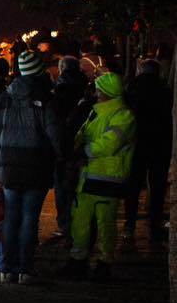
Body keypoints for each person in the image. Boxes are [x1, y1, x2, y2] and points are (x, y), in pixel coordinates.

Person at [0, 51, 61, 283]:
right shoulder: (46, 100)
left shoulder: (3, 99)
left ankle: (5, 267)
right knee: (29, 219)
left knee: (9, 218)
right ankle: (25, 268)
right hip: (36, 168)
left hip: (8, 169)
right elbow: (56, 136)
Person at [61, 72, 138, 282]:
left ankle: (104, 264)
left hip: (107, 177)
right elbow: (83, 134)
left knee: (105, 223)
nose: (96, 93)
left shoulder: (124, 115)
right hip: (90, 176)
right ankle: (80, 260)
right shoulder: (98, 112)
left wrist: (82, 150)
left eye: (99, 89)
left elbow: (110, 142)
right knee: (81, 221)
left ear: (107, 92)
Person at [124, 59, 172, 244]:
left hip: (137, 143)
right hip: (160, 145)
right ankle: (154, 225)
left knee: (133, 186)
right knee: (157, 187)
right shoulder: (165, 91)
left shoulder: (131, 89)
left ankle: (129, 225)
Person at [49, 56, 93, 243]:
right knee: (81, 189)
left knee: (62, 186)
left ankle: (65, 224)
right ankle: (82, 225)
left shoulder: (58, 91)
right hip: (84, 143)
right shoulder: (87, 88)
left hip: (63, 145)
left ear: (61, 69)